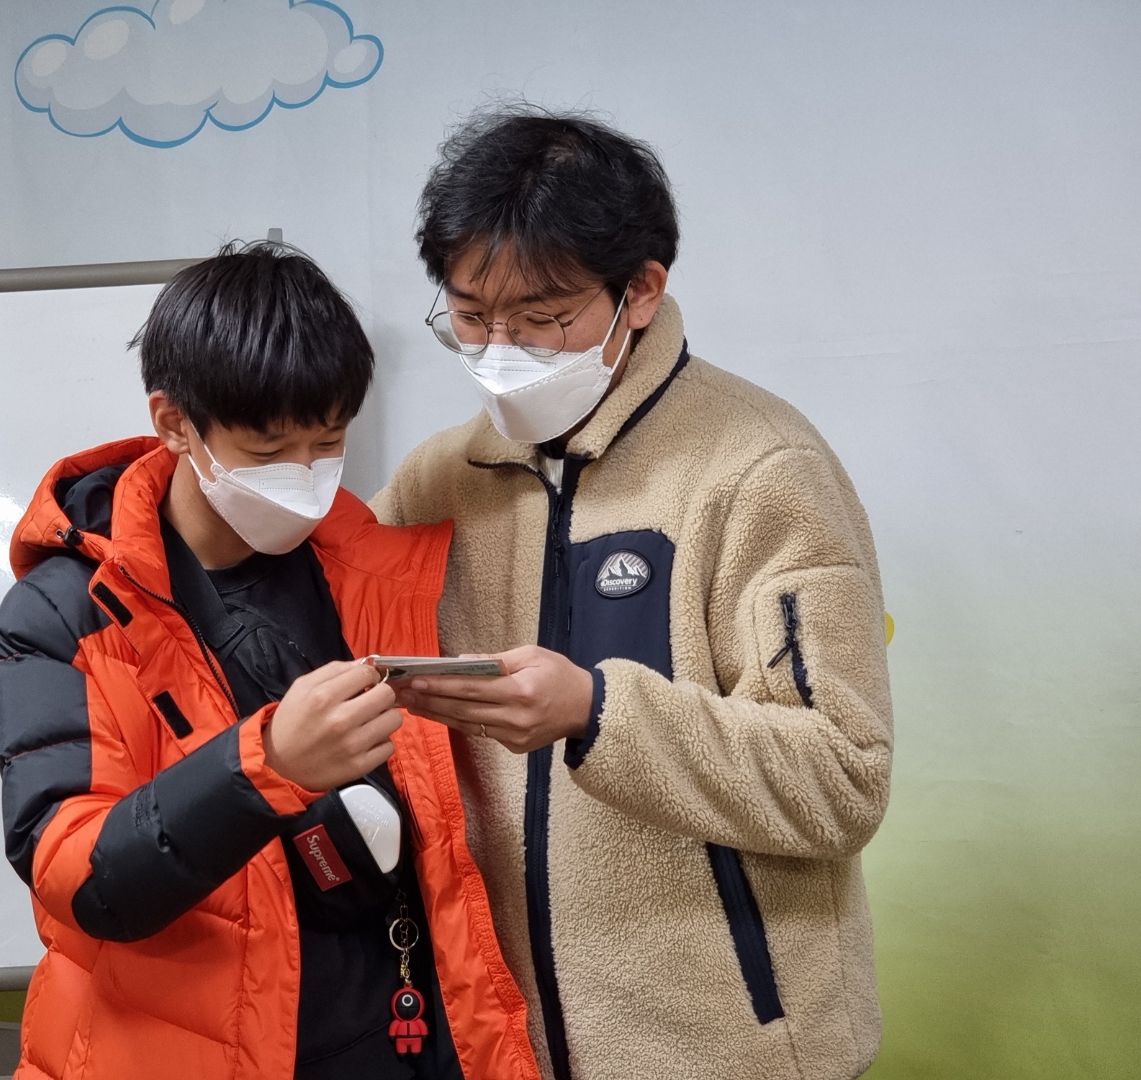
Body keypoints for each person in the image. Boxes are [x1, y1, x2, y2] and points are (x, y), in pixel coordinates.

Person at [373, 109, 894, 1080]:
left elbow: (842, 778)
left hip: (735, 1053)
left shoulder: (759, 468)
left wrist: (598, 713)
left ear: (641, 291)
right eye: (471, 316)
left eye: (543, 317)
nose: (501, 350)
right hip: (506, 1051)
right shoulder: (434, 485)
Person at [0, 243, 539, 1080]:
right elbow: (81, 880)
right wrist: (267, 765)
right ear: (175, 423)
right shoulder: (64, 614)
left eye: (328, 441)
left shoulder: (378, 571)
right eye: (268, 449)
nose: (305, 476)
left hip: (402, 1034)